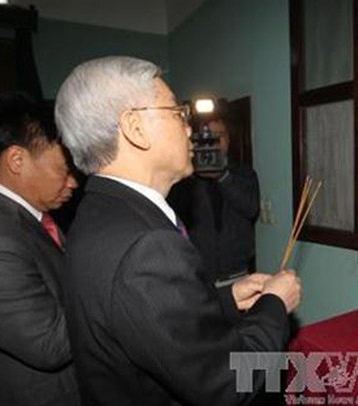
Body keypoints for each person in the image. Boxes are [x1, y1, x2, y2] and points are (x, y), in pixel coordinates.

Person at [54, 56, 301, 405]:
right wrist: (275, 304)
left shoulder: (98, 211)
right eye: (176, 112)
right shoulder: (147, 245)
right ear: (135, 127)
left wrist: (227, 300)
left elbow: (149, 320)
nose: (190, 128)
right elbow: (227, 383)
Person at [0, 96, 80, 406]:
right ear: (17, 160)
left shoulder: (30, 215)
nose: (73, 183)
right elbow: (49, 343)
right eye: (65, 169)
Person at [167, 116, 260, 285]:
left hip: (236, 275)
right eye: (208, 138)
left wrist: (222, 176)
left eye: (219, 136)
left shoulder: (243, 174)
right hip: (197, 277)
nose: (214, 143)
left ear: (228, 140)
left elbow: (251, 208)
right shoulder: (185, 178)